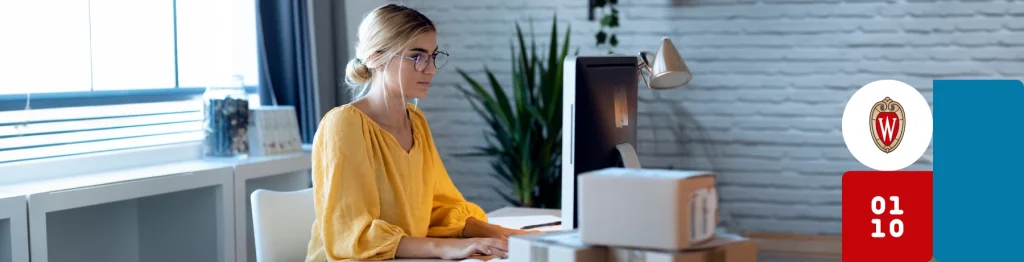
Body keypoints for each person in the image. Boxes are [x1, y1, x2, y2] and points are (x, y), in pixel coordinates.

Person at [304, 4, 535, 261]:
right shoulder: (343, 124)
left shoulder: (415, 121)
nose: (431, 69)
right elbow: (352, 235)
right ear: (375, 58)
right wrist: (444, 248)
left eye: (433, 56)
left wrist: (499, 233)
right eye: (417, 57)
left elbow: (439, 207)